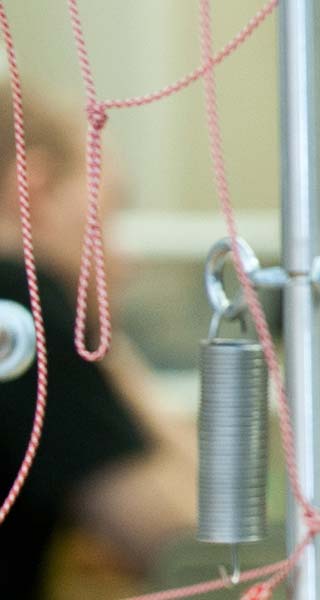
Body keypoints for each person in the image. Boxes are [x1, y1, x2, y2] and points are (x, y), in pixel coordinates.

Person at [0, 94, 195, 596]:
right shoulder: (22, 309)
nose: (122, 262)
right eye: (104, 220)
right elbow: (190, 544)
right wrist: (105, 347)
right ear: (35, 192)